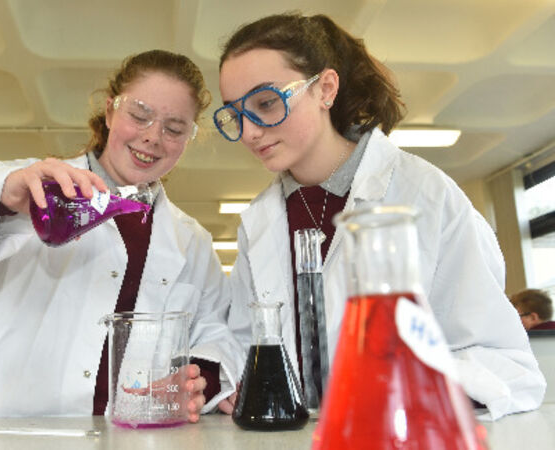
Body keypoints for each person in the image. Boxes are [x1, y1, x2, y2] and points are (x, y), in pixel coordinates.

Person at [0, 49, 243, 421]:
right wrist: (1, 198)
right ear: (109, 111)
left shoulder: (192, 241)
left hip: (127, 436)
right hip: (7, 431)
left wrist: (200, 379)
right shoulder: (25, 187)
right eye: (139, 115)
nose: (153, 136)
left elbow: (216, 332)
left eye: (174, 128)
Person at [216, 12, 545, 420]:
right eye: (235, 114)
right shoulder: (259, 222)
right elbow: (245, 341)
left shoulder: (425, 194)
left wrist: (407, 387)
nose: (249, 131)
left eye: (266, 103)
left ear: (325, 89)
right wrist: (231, 381)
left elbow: (502, 361)